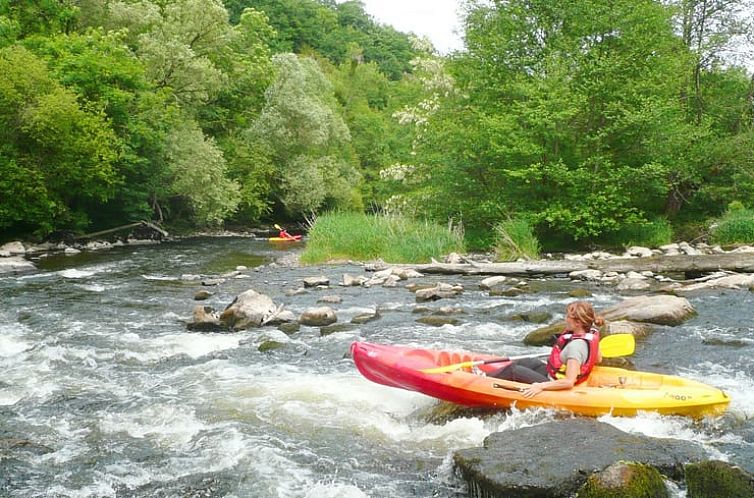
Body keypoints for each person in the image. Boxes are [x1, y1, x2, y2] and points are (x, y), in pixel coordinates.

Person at [489, 301, 604, 398]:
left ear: (578, 323)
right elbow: (598, 359)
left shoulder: (576, 347)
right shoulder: (591, 333)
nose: (565, 319)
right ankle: (485, 376)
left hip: (555, 383)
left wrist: (540, 386)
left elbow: (569, 382)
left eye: (568, 317)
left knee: (513, 370)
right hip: (553, 375)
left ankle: (483, 381)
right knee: (526, 361)